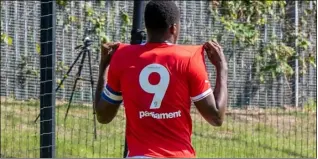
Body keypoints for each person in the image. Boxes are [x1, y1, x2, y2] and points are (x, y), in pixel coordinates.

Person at [94, 1, 228, 158]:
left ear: (147, 27)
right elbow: (216, 117)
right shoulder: (189, 59)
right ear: (173, 28)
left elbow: (103, 116)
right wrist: (222, 69)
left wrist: (104, 66)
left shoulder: (123, 57)